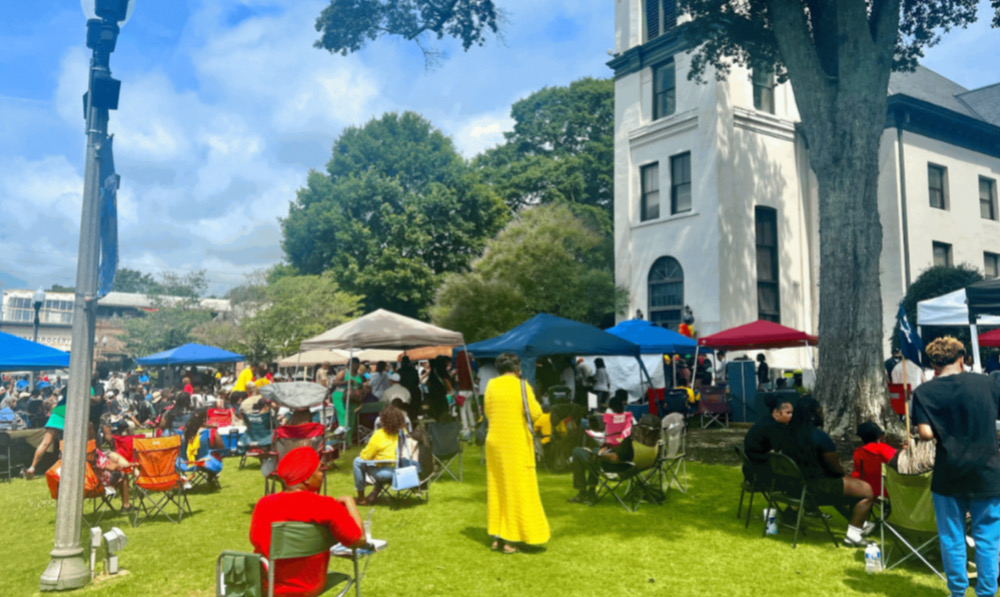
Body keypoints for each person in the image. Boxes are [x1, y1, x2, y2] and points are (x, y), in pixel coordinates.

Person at [912, 336, 1000, 597]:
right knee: (988, 538)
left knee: (952, 537)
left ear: (933, 364)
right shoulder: (989, 383)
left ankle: (957, 592)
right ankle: (986, 591)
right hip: (987, 470)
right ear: (962, 359)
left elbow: (926, 433)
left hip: (949, 471)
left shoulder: (924, 392)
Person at [250, 446, 366, 597]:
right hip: (310, 587)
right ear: (305, 478)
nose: (322, 475)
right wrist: (350, 503)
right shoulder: (327, 505)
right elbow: (358, 540)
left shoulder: (263, 505)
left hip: (268, 588)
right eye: (319, 470)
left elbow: (256, 541)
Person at [779, 396, 875, 546]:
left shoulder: (786, 434)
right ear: (812, 415)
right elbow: (835, 469)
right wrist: (845, 477)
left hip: (793, 487)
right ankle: (853, 536)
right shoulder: (820, 438)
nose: (822, 415)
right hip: (816, 488)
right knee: (867, 491)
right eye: (820, 412)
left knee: (846, 487)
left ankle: (861, 524)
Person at [484, 352, 550, 553]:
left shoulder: (491, 386)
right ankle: (511, 538)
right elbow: (537, 413)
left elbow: (488, 412)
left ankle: (497, 535)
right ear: (516, 368)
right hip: (515, 442)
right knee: (517, 489)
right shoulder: (522, 385)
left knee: (498, 488)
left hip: (494, 441)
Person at [569, 414, 661, 504]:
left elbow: (615, 458)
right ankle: (591, 492)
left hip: (617, 470)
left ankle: (582, 493)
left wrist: (601, 455)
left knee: (577, 452)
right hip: (634, 469)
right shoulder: (655, 443)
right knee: (595, 450)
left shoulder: (631, 441)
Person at [352, 406, 415, 505]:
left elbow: (365, 457)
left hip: (385, 473)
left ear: (383, 420)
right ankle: (374, 493)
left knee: (357, 462)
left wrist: (362, 454)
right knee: (379, 465)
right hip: (402, 469)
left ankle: (361, 498)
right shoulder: (403, 432)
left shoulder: (379, 434)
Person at [742, 394, 793, 483]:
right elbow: (784, 451)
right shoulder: (774, 428)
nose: (791, 416)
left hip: (749, 470)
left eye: (792, 413)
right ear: (776, 412)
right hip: (759, 473)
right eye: (788, 413)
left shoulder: (765, 421)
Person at [177, 408, 225, 482]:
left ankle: (183, 479)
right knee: (216, 456)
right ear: (204, 419)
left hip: (182, 463)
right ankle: (211, 477)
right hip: (204, 463)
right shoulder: (209, 432)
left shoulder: (181, 431)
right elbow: (221, 448)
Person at [850, 422, 896, 498]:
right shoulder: (883, 448)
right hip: (886, 490)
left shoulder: (857, 453)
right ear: (878, 435)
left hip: (865, 489)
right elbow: (899, 462)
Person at [331, 358, 364, 434]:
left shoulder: (359, 375)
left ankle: (349, 440)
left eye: (358, 365)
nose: (357, 367)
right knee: (343, 414)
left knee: (351, 419)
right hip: (339, 396)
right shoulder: (344, 372)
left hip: (353, 398)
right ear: (350, 364)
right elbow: (334, 383)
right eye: (355, 365)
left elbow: (361, 386)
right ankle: (341, 437)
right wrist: (347, 382)